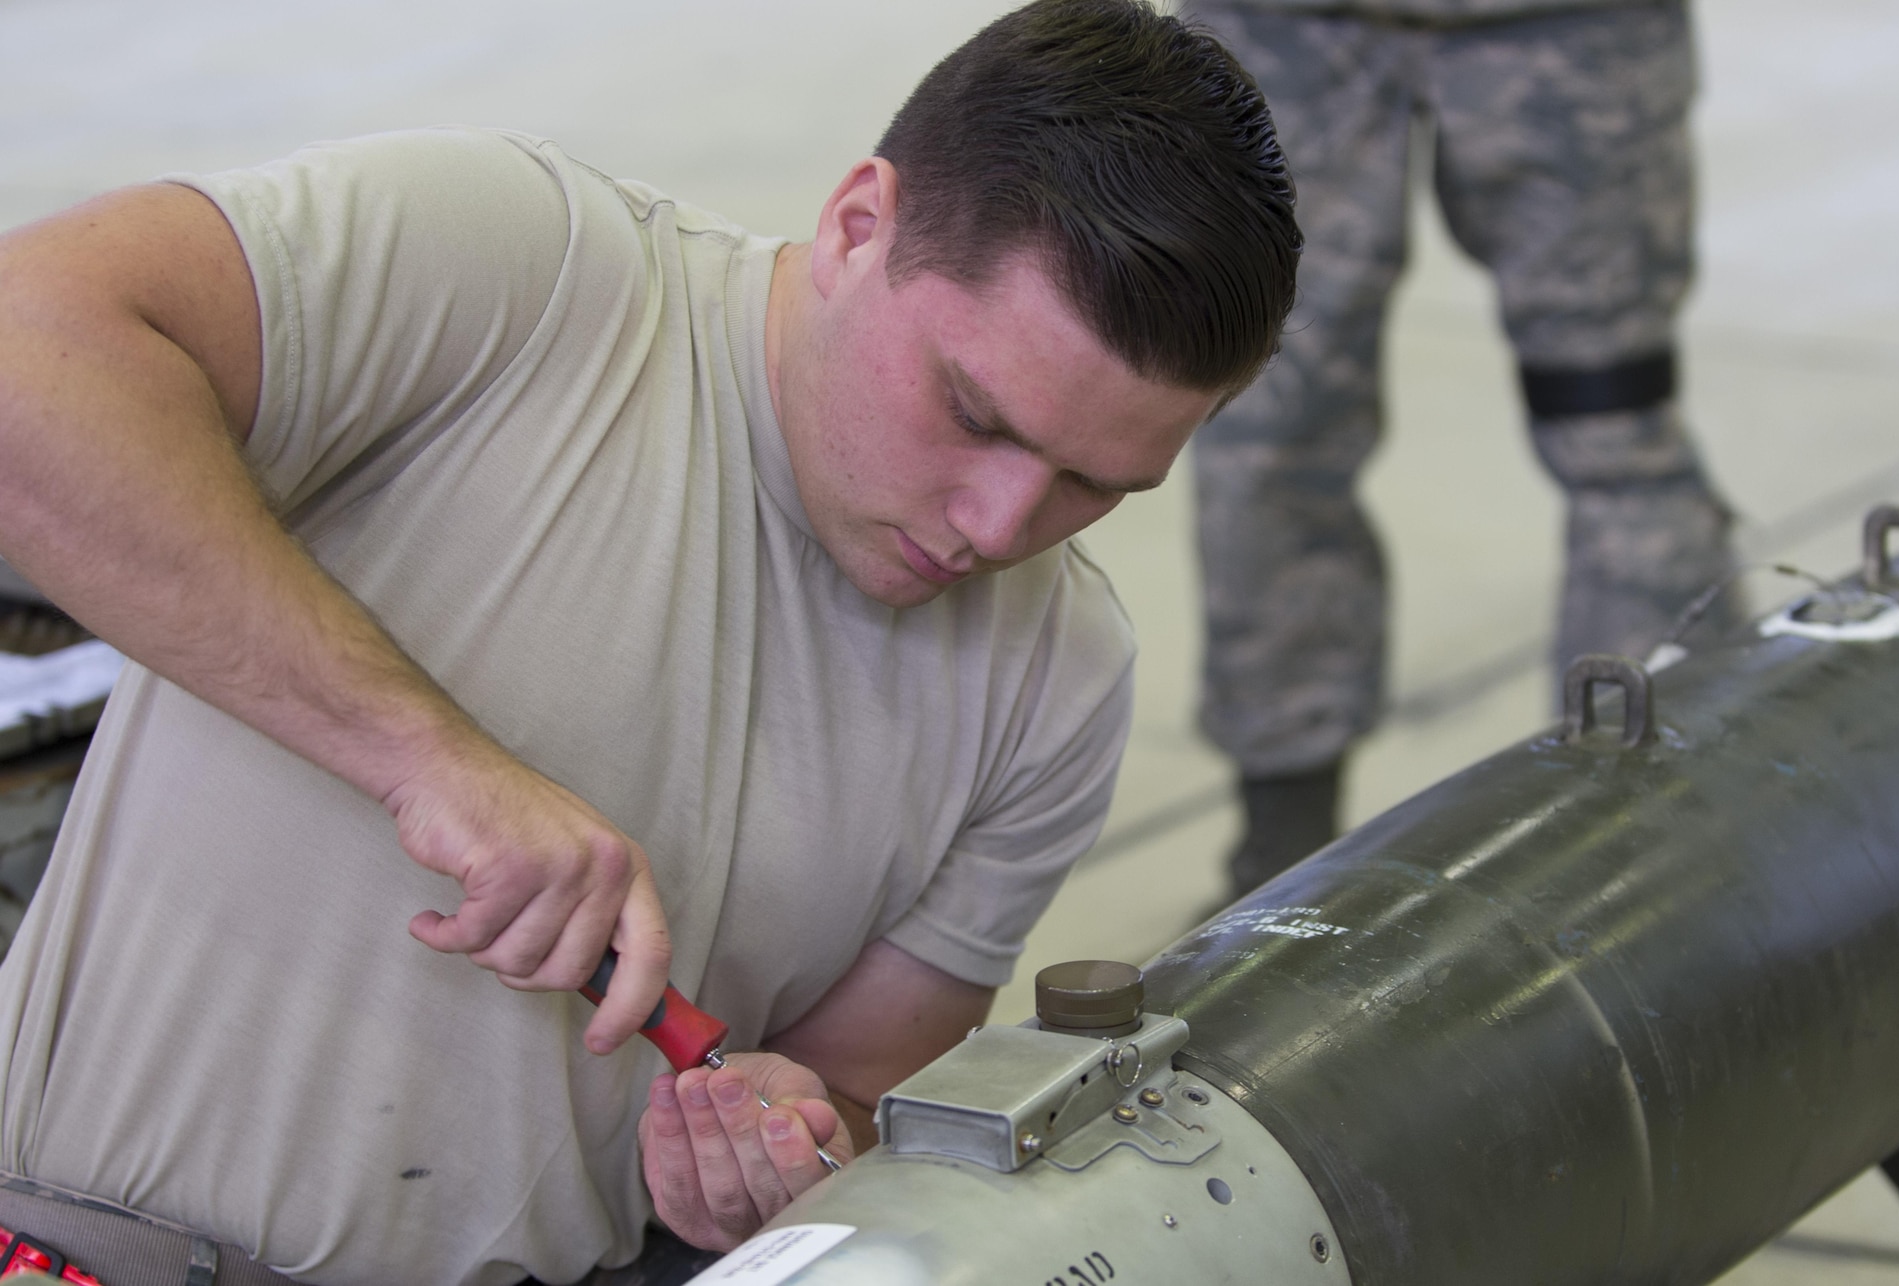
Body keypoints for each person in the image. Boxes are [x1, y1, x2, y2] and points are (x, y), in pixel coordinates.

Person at [0, 2, 1300, 1283]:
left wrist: (777, 1162)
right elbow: (26, 352)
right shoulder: (522, 277)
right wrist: (427, 757)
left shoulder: (1056, 682)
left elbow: (852, 1094)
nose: (1000, 524)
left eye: (1093, 486)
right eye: (975, 413)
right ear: (860, 226)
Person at [1183, 0, 1739, 897]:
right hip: (1288, 26)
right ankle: (1281, 845)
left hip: (1567, 26)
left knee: (1614, 423)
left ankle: (1649, 845)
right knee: (1259, 418)